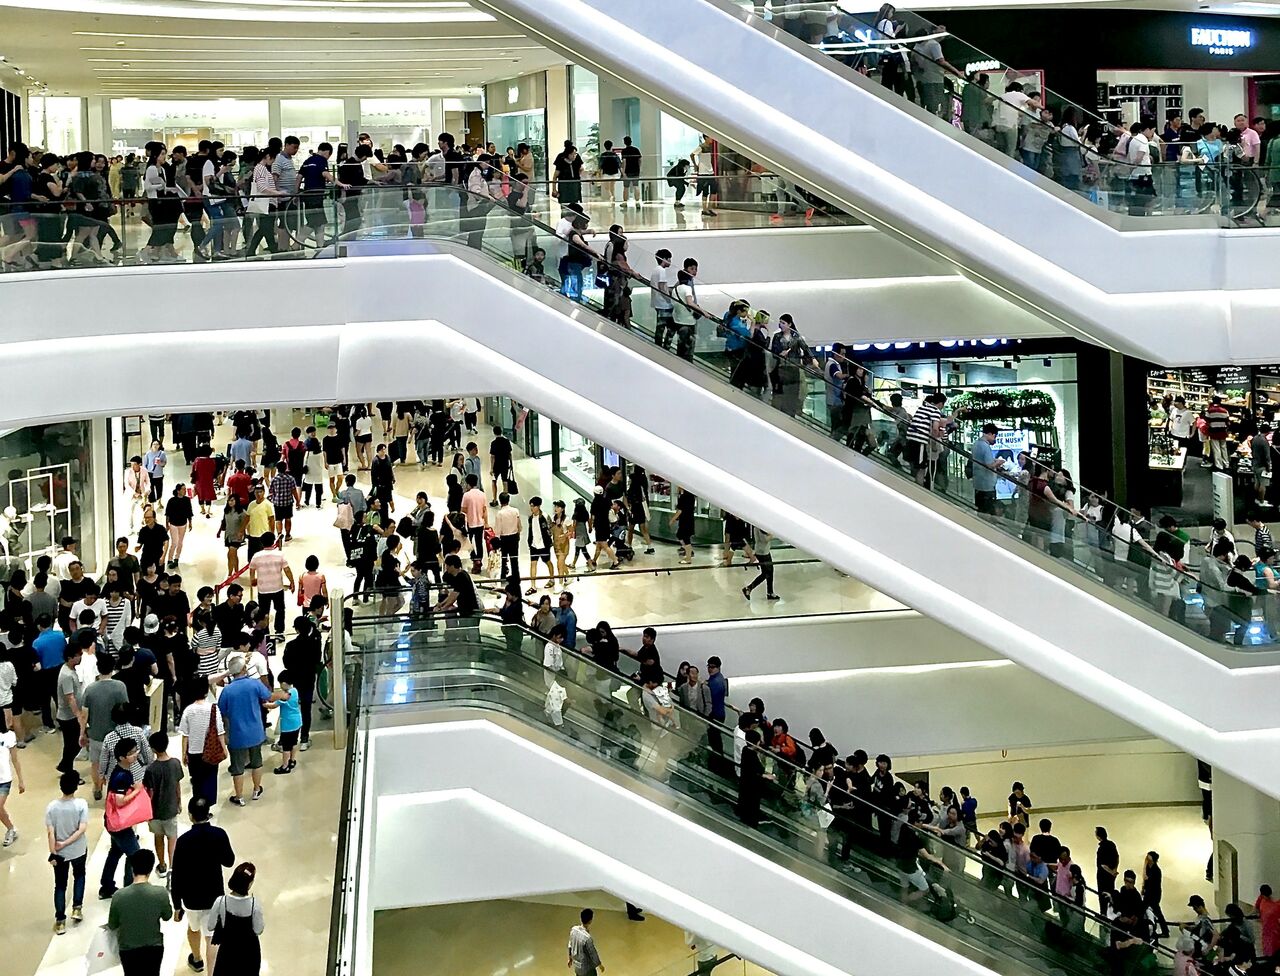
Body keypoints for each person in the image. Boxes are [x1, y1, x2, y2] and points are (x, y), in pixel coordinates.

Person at [171, 796, 235, 973]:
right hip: (214, 894)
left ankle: (197, 959)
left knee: (193, 928)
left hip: (191, 897)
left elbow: (176, 875)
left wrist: (176, 904)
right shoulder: (219, 835)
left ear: (190, 816)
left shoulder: (183, 841)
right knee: (212, 936)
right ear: (208, 814)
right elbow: (229, 861)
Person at [106, 850, 171, 976]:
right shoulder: (160, 893)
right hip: (154, 946)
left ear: (132, 868)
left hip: (128, 949)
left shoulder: (119, 896)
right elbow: (167, 916)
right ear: (151, 869)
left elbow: (112, 924)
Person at [46, 770, 89, 934]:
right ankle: (77, 908)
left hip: (60, 855)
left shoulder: (51, 807)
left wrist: (54, 851)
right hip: (78, 850)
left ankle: (60, 921)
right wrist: (67, 842)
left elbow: (50, 833)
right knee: (79, 876)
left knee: (60, 885)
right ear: (76, 786)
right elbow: (82, 829)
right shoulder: (81, 805)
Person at [204, 861, 266, 975]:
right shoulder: (254, 905)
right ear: (249, 884)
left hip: (228, 950)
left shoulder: (221, 901)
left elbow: (210, 926)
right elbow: (258, 930)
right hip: (249, 952)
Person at [178, 676, 226, 808]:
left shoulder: (188, 710)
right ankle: (207, 806)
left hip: (194, 752)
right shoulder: (213, 709)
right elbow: (220, 731)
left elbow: (185, 734)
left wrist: (184, 753)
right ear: (206, 692)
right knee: (210, 779)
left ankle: (198, 805)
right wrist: (224, 749)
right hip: (211, 750)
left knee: (196, 781)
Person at [568, 908, 603, 976]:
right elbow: (593, 953)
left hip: (577, 966)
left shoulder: (573, 930)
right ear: (590, 921)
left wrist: (570, 958)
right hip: (587, 968)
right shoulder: (587, 938)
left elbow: (570, 944)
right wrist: (600, 964)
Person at [1096, 825, 1120, 907]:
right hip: (1111, 876)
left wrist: (1111, 872)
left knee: (1103, 895)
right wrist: (1114, 870)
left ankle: (1104, 913)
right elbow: (1117, 857)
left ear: (1098, 836)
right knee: (1111, 891)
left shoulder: (1101, 849)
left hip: (1103, 876)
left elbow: (1102, 864)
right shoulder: (1111, 844)